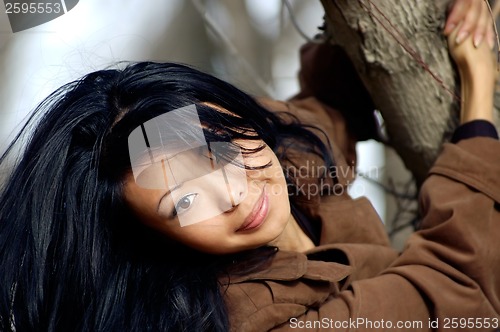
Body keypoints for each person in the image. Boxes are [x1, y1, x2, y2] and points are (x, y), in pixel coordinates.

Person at [0, 1, 498, 331]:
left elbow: (324, 110)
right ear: (160, 243)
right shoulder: (253, 318)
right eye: (186, 203)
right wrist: (477, 101)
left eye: (218, 149)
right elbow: (460, 288)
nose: (234, 192)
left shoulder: (270, 152)